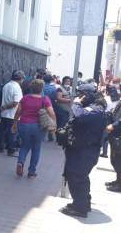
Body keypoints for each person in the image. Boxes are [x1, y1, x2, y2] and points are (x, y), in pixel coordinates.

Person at [60, 84, 107, 218]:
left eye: (81, 94)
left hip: (86, 151)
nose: (79, 97)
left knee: (77, 177)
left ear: (88, 95)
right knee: (77, 176)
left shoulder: (96, 109)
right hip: (80, 149)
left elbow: (80, 116)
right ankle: (82, 203)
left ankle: (80, 209)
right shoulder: (90, 107)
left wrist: (76, 104)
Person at [12, 79, 56, 178]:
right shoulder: (45, 99)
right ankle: (31, 172)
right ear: (41, 89)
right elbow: (51, 112)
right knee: (36, 148)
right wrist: (54, 124)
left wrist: (14, 123)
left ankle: (20, 162)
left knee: (24, 145)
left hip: (24, 125)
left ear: (31, 88)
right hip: (39, 127)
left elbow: (18, 112)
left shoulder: (25, 98)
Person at [0, 70, 24, 156]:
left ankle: (0, 147)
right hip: (13, 114)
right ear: (20, 78)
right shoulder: (17, 87)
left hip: (4, 114)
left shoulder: (6, 85)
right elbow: (16, 103)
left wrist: (3, 108)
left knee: (2, 131)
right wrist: (4, 107)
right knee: (12, 133)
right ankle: (11, 150)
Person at [106, 95, 121, 191]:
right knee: (114, 159)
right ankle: (118, 180)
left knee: (118, 160)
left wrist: (114, 125)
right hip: (115, 134)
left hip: (118, 132)